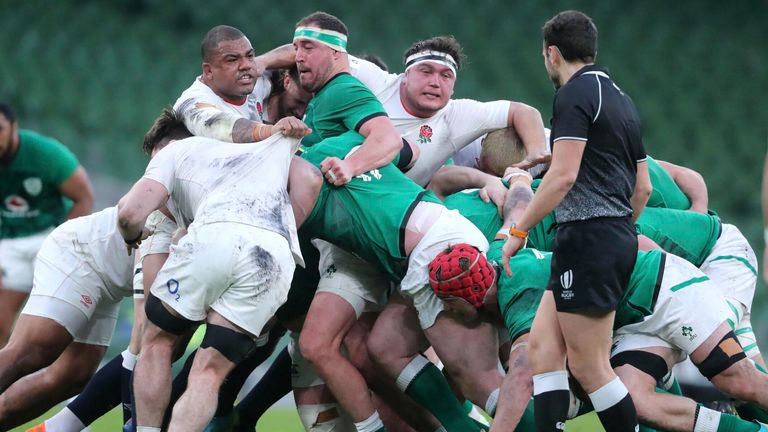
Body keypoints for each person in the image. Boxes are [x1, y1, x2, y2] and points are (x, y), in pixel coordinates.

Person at [500, 11, 652, 432]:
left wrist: (518, 229)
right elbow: (643, 188)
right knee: (545, 352)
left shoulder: (572, 94)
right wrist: (618, 230)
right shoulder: (621, 98)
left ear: (552, 53)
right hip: (605, 237)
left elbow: (563, 177)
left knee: (590, 366)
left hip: (588, 240)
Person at [121, 109, 306, 431]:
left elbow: (129, 214)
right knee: (210, 371)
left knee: (157, 341)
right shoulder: (260, 150)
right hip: (275, 255)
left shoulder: (176, 151)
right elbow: (311, 179)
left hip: (216, 234)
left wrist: (131, 237)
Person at [0, 205, 140, 430]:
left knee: (75, 374)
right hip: (83, 252)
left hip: (114, 281)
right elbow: (130, 206)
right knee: (33, 349)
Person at [0, 103, 93, 346]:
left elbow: (83, 197)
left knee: (54, 322)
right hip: (7, 240)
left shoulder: (45, 154)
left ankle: (56, 374)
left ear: (14, 128)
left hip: (49, 234)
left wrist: (63, 245)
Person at [174, 25, 311, 143]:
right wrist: (273, 131)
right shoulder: (192, 102)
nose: (245, 65)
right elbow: (224, 127)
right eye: (233, 60)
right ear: (209, 71)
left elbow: (300, 53)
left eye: (249, 56)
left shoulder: (250, 81)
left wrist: (262, 62)